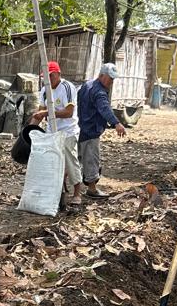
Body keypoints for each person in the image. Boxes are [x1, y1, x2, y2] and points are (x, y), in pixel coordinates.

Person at [29, 61, 82, 206]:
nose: (49, 79)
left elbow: (69, 112)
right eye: (46, 76)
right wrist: (29, 131)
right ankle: (58, 191)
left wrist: (47, 113)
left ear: (58, 74)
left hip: (68, 131)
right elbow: (39, 113)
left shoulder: (67, 87)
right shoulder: (44, 90)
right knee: (52, 162)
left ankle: (77, 193)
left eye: (51, 76)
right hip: (51, 132)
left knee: (70, 162)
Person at [76, 61, 126, 199]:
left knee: (76, 159)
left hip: (79, 127)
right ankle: (92, 189)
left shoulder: (87, 85)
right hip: (91, 130)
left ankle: (66, 188)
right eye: (110, 78)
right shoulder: (99, 92)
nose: (112, 82)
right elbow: (105, 108)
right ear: (102, 76)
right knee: (91, 160)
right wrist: (116, 123)